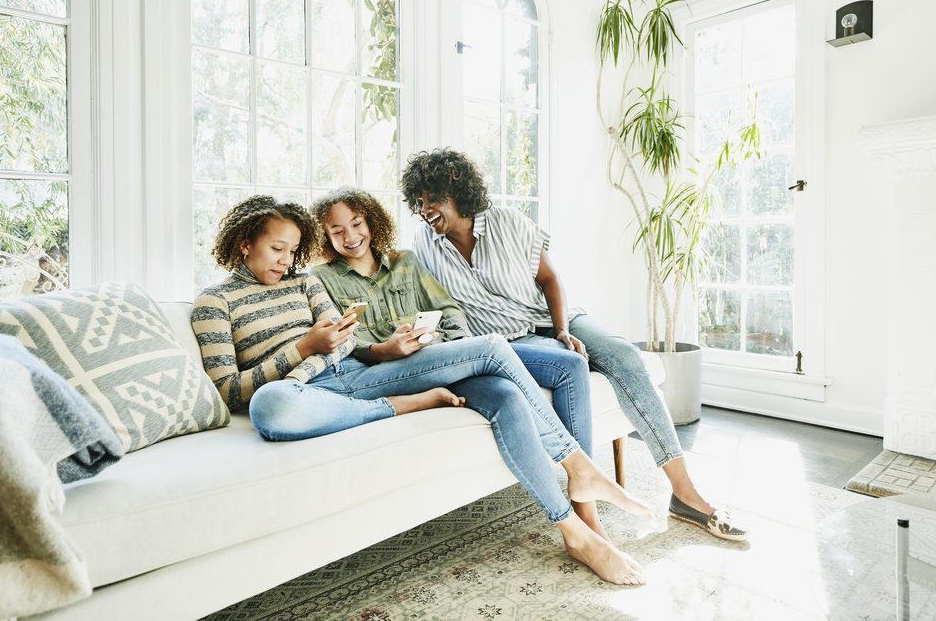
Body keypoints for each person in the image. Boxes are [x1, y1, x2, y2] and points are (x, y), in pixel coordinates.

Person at [192, 195, 653, 584]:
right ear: (245, 242)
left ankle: (575, 522)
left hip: (354, 377)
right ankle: (405, 404)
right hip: (299, 396)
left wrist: (326, 348)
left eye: (293, 251)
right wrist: (302, 351)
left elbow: (345, 342)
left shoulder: (304, 284)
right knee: (270, 407)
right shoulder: (214, 303)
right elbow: (229, 392)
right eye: (277, 249)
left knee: (500, 375)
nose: (286, 261)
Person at [401, 149, 748, 542]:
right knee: (570, 367)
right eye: (419, 202)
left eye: (433, 199)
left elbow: (550, 280)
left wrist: (563, 330)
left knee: (625, 357)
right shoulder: (425, 243)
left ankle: (685, 495)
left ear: (458, 191)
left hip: (552, 318)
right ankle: (585, 504)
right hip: (508, 340)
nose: (425, 210)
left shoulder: (509, 222)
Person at [310, 187, 609, 539]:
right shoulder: (321, 278)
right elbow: (342, 340)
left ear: (372, 221)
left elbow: (448, 309)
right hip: (393, 370)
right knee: (498, 360)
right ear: (325, 236)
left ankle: (580, 511)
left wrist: (448, 342)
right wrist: (382, 350)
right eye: (337, 231)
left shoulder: (405, 261)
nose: (350, 236)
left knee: (542, 379)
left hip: (445, 357)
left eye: (356, 223)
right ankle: (580, 498)